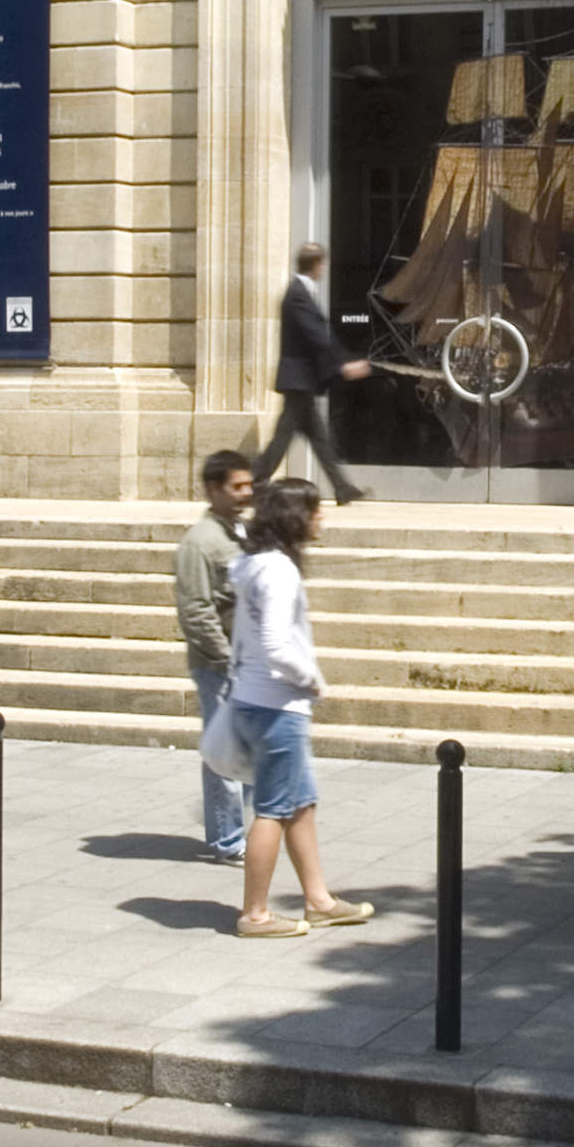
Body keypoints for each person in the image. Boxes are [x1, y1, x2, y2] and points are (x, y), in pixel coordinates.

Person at [224, 480, 375, 938]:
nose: (320, 519)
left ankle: (319, 900)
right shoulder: (280, 570)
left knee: (301, 803)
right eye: (313, 511)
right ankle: (255, 915)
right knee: (272, 809)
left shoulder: (248, 565)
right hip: (277, 705)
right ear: (294, 517)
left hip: (254, 699)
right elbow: (274, 644)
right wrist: (311, 678)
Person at [173, 450, 257, 864]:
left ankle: (248, 828)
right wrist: (226, 660)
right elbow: (196, 611)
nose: (246, 493)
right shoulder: (200, 542)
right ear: (213, 488)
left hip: (245, 661)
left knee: (249, 748)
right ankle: (228, 840)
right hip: (218, 665)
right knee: (225, 752)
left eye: (248, 485)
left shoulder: (238, 531)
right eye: (237, 486)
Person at [262, 242, 373, 505]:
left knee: (319, 439)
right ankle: (256, 480)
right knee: (284, 438)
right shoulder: (298, 293)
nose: (324, 268)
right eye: (322, 263)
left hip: (301, 380)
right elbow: (317, 335)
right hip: (298, 380)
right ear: (315, 264)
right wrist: (343, 364)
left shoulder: (300, 291)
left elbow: (317, 335)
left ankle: (342, 488)